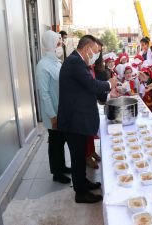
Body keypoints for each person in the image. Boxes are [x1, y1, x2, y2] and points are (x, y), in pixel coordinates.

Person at [57, 35, 118, 203]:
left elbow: (86, 88)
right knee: (77, 158)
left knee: (79, 156)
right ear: (86, 49)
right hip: (74, 121)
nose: (96, 55)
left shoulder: (78, 61)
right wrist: (109, 84)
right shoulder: (75, 62)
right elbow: (91, 85)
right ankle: (80, 193)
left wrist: (108, 94)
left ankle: (83, 182)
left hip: (78, 119)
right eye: (96, 52)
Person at [36, 30, 71, 184]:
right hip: (54, 113)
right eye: (58, 43)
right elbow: (44, 94)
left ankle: (62, 166)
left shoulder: (56, 62)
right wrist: (52, 116)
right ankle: (56, 172)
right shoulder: (43, 66)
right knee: (55, 142)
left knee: (61, 140)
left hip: (62, 109)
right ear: (50, 44)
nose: (61, 45)